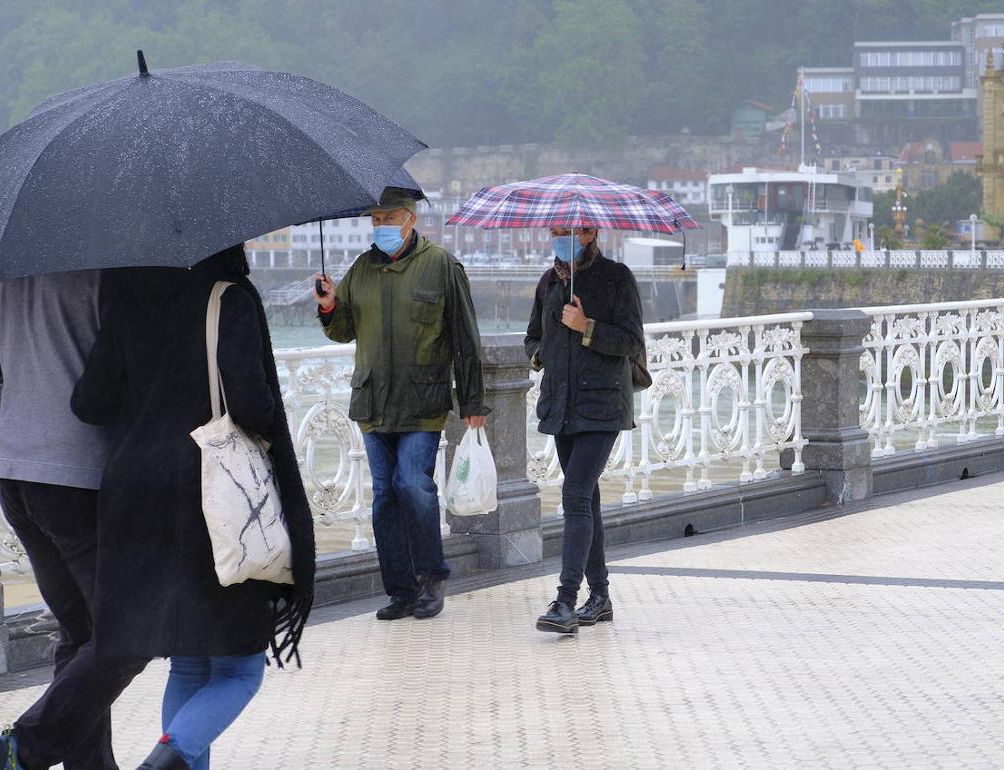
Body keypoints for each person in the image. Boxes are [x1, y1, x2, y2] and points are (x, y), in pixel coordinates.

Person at [70, 245, 316, 770]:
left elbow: (90, 402)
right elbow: (251, 407)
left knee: (188, 665)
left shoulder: (126, 294)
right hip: (211, 502)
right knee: (239, 671)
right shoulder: (228, 298)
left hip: (135, 499)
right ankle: (163, 762)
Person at [0, 271, 149, 770]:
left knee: (81, 632)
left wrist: (25, 414)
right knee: (131, 631)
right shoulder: (106, 272)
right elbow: (123, 375)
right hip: (78, 476)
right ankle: (20, 749)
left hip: (14, 472)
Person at [314, 187, 488, 621]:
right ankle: (401, 590)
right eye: (376, 220)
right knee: (385, 497)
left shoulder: (442, 265)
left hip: (422, 399)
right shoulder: (361, 269)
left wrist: (472, 400)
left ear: (411, 219)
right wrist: (329, 306)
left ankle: (432, 576)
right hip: (373, 401)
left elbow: (466, 338)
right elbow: (343, 331)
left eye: (389, 218)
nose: (381, 227)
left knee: (412, 483)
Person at [524, 226, 644, 634]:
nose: (560, 237)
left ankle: (565, 600)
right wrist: (541, 355)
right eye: (555, 231)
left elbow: (631, 341)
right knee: (586, 499)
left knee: (574, 494)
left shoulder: (616, 277)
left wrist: (586, 326)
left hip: (603, 405)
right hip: (561, 406)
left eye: (568, 231)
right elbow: (532, 338)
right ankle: (601, 596)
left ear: (591, 232)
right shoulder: (549, 282)